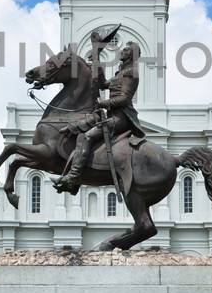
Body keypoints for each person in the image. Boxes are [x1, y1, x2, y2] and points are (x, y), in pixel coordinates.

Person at [55, 36, 145, 193]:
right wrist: (96, 57)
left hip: (121, 118)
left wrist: (103, 103)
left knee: (87, 136)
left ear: (131, 55)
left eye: (126, 50)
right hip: (111, 115)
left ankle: (73, 177)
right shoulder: (121, 73)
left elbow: (124, 99)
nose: (122, 51)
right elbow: (103, 84)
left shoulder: (132, 73)